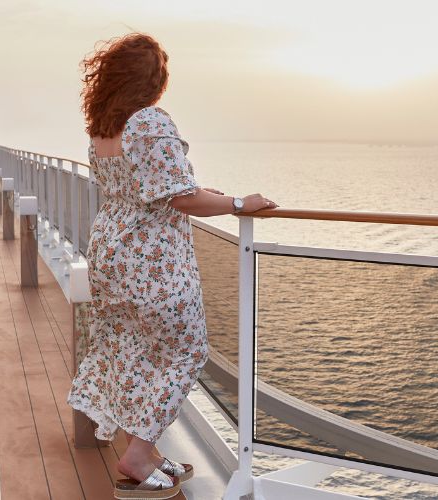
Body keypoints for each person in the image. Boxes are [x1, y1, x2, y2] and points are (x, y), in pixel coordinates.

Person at [67, 33, 276, 499]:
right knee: (186, 349)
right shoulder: (151, 122)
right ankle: (138, 455)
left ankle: (148, 450)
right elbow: (177, 195)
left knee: (131, 347)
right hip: (152, 257)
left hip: (111, 249)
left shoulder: (104, 127)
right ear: (153, 81)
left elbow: (152, 184)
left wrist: (208, 195)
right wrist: (241, 203)